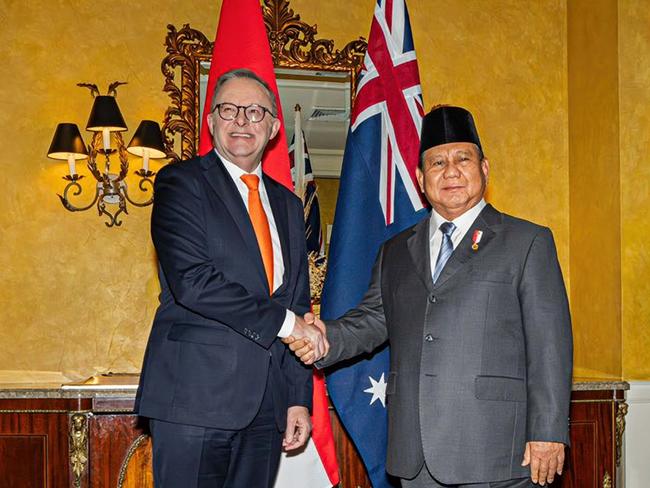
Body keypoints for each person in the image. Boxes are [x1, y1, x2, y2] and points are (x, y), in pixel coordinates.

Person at [286, 106, 573, 488]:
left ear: (484, 168)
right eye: (437, 162)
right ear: (421, 179)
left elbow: (550, 344)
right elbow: (374, 320)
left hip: (498, 452)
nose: (450, 171)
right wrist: (324, 338)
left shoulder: (527, 242)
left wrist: (549, 431)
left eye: (462, 159)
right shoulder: (397, 250)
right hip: (416, 454)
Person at [135, 68, 328, 488]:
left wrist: (297, 400)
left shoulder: (290, 206)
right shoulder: (181, 182)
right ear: (211, 121)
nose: (242, 121)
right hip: (193, 400)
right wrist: (290, 324)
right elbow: (193, 281)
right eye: (229, 109)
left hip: (267, 406)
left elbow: (297, 304)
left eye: (256, 112)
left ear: (274, 128)